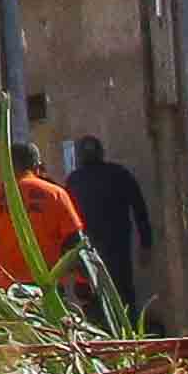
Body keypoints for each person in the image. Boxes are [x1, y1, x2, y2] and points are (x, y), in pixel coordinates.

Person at [0, 139, 89, 297]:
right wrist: (83, 282)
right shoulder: (56, 194)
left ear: (7, 166)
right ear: (37, 166)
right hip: (49, 291)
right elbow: (75, 244)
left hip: (7, 293)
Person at [58, 132, 156, 326]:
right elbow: (140, 209)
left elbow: (66, 219)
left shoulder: (74, 180)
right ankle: (128, 337)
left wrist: (67, 255)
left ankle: (103, 339)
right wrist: (146, 243)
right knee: (121, 294)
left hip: (88, 250)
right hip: (115, 248)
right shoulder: (118, 174)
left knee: (94, 297)